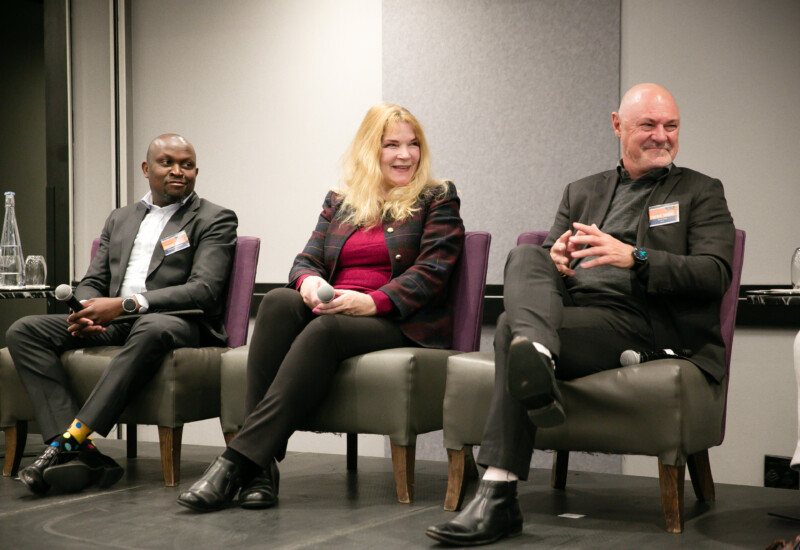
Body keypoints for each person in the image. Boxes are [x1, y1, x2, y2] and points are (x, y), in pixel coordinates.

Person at [426, 83, 735, 545]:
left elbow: (715, 273)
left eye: (671, 126)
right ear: (617, 125)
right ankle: (538, 351)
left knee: (511, 327)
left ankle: (498, 494)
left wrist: (636, 258)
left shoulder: (700, 191)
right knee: (527, 255)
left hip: (642, 324)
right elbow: (550, 261)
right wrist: (558, 259)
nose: (661, 136)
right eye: (648, 125)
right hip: (575, 314)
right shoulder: (583, 191)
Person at [177, 103, 465, 512]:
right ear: (370, 149)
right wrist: (309, 283)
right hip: (338, 306)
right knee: (278, 301)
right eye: (391, 145)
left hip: (399, 319)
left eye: (413, 144)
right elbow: (306, 259)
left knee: (325, 330)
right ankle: (260, 471)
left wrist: (372, 301)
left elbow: (432, 271)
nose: (405, 155)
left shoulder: (437, 197)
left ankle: (238, 461)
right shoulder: (341, 201)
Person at [7, 134, 238, 495]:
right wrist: (85, 310)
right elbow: (93, 281)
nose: (178, 171)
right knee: (24, 330)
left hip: (179, 320)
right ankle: (83, 454)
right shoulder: (121, 218)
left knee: (151, 327)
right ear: (146, 168)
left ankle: (68, 441)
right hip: (116, 321)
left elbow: (203, 290)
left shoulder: (214, 218)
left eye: (187, 165)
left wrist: (125, 305)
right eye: (167, 163)